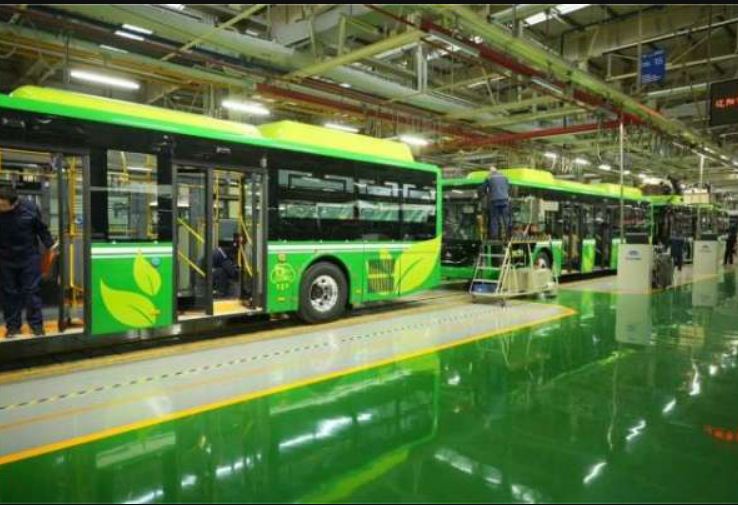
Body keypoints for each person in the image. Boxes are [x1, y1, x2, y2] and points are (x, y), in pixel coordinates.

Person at [0, 186, 56, 338]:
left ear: (14, 203)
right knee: (9, 293)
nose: (0, 208)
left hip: (28, 258)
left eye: (3, 205)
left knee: (31, 292)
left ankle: (36, 326)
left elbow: (41, 230)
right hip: (5, 259)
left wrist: (50, 245)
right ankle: (13, 327)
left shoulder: (30, 209)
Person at [480, 166, 511, 241]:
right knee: (506, 218)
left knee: (494, 218)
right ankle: (509, 235)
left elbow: (483, 189)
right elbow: (508, 187)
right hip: (505, 200)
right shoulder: (504, 176)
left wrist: (484, 195)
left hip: (494, 201)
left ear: (490, 172)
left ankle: (495, 237)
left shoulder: (489, 177)